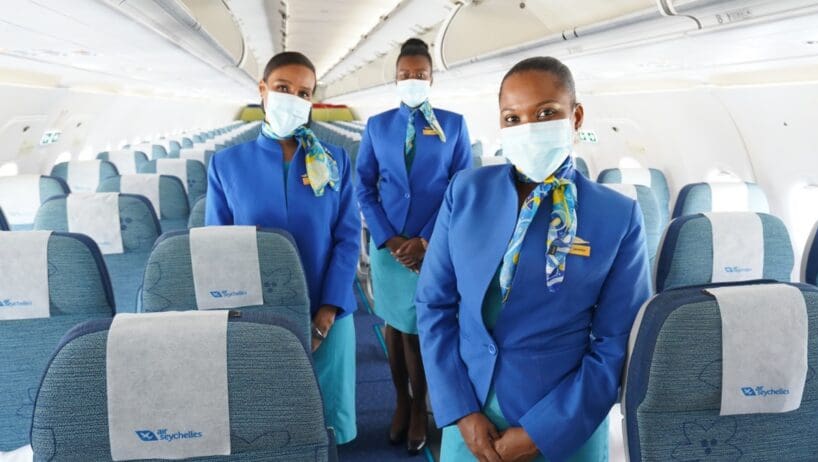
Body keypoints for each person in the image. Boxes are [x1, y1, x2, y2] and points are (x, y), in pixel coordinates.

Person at [416, 56, 652, 462]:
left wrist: (542, 431)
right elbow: (434, 305)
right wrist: (461, 410)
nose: (528, 127)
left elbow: (616, 342)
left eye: (546, 113)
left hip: (565, 425)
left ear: (575, 117)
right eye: (513, 118)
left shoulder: (617, 215)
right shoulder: (466, 193)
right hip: (471, 414)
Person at [205, 51, 360, 445]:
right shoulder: (227, 164)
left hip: (328, 309)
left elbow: (346, 238)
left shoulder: (333, 159)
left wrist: (326, 314)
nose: (293, 98)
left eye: (304, 93)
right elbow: (218, 248)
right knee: (271, 424)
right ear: (263, 89)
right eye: (283, 88)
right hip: (258, 315)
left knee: (327, 423)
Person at [356, 38, 473, 454]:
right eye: (405, 75)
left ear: (431, 79)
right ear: (395, 78)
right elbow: (364, 187)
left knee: (420, 329)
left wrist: (425, 238)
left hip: (432, 245)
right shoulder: (377, 126)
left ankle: (420, 409)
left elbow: (461, 186)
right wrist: (390, 238)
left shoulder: (454, 124)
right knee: (393, 323)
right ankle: (401, 402)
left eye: (419, 75)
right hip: (391, 250)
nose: (412, 81)